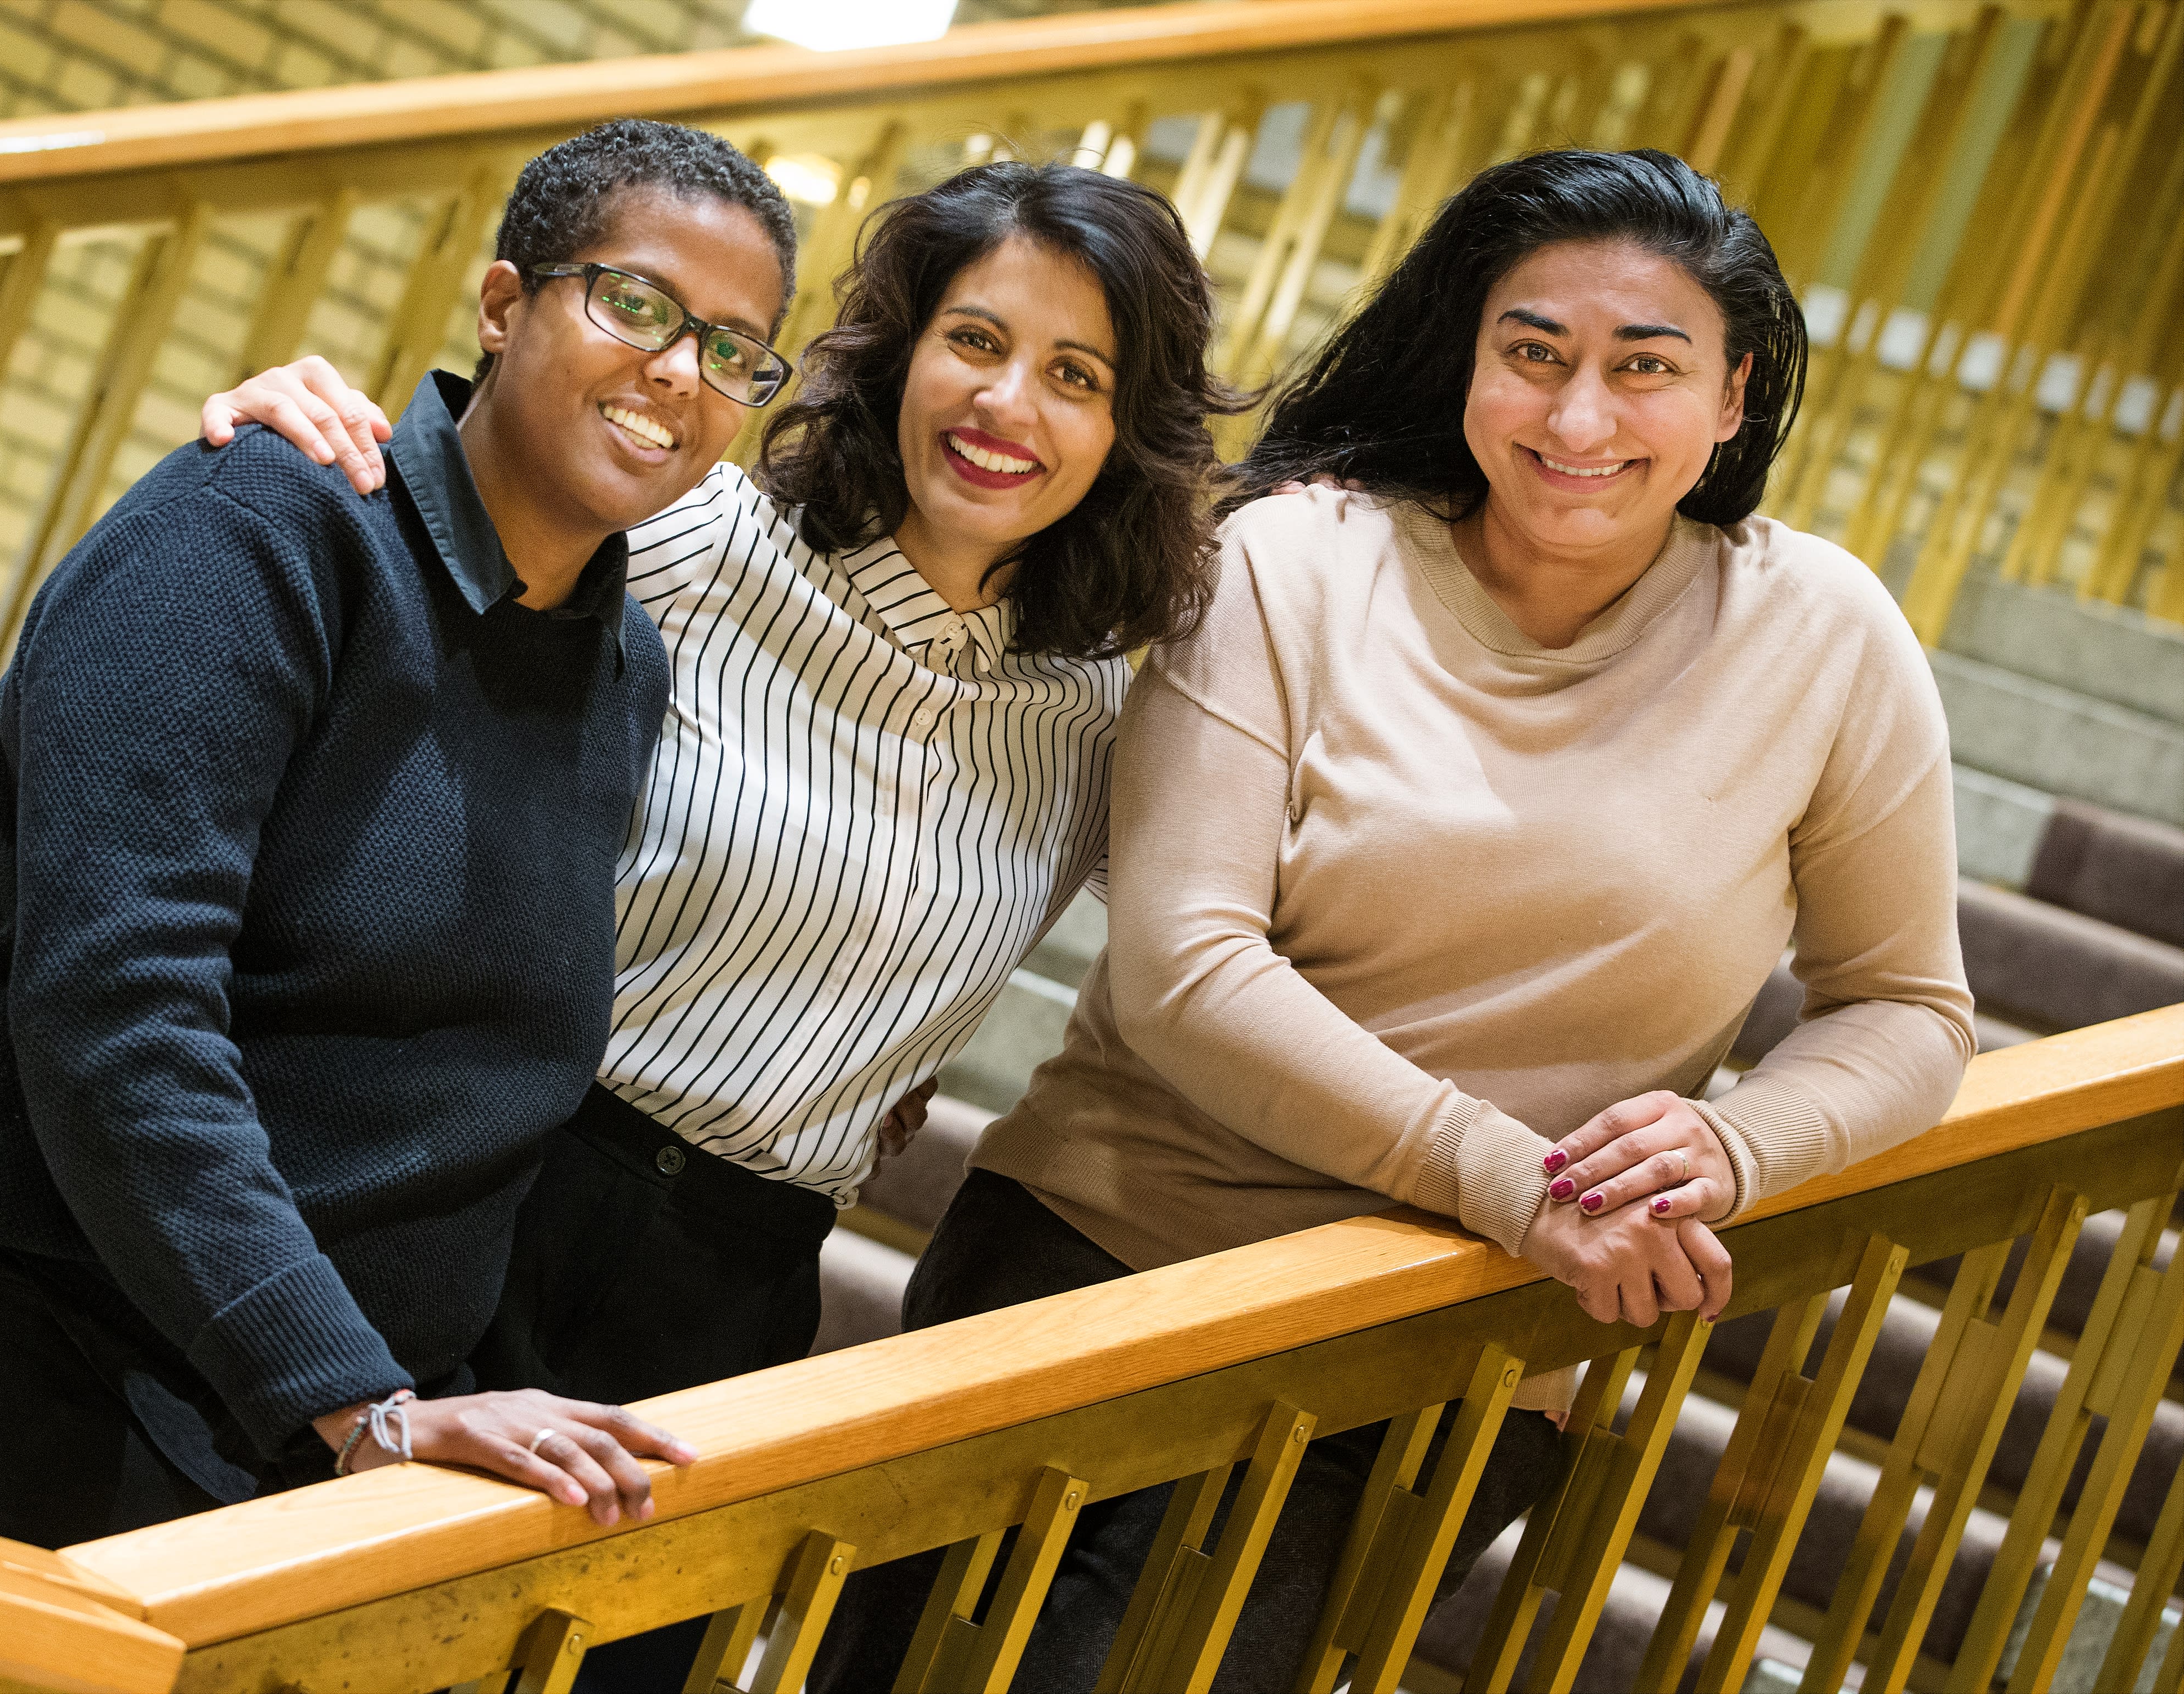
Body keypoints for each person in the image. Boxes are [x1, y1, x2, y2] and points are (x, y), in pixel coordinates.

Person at [820, 147, 1976, 1691]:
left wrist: (1733, 1145)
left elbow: (1907, 1005)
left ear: (1733, 396)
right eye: (1533, 353)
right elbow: (1182, 964)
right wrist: (1509, 1179)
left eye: (1645, 367)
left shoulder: (1823, 637)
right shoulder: (1294, 559)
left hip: (1453, 1348)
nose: (1578, 418)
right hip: (1108, 1267)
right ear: (1467, 359)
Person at [0, 119, 797, 1549]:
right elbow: (117, 1005)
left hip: (251, 1430)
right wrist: (355, 1402)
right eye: (634, 304)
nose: (680, 371)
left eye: (733, 349)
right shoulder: (262, 519)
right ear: (504, 306)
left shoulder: (619, 669)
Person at [208, 159, 1240, 1686]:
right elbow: (430, 547)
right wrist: (301, 427)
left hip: (735, 1297)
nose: (1006, 403)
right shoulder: (696, 539)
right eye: (974, 340)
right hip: (483, 1193)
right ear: (899, 349)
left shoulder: (1101, 724)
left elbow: (1249, 934)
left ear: (1124, 431)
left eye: (1074, 375)